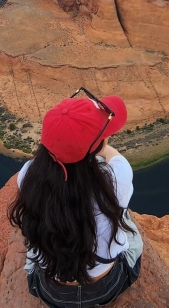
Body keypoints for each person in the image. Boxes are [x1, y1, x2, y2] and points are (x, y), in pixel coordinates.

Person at [9, 88, 143, 308]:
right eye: (103, 133)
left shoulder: (27, 175)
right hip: (107, 287)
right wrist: (98, 144)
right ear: (98, 145)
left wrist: (81, 144)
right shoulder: (118, 175)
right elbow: (111, 156)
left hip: (50, 292)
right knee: (124, 216)